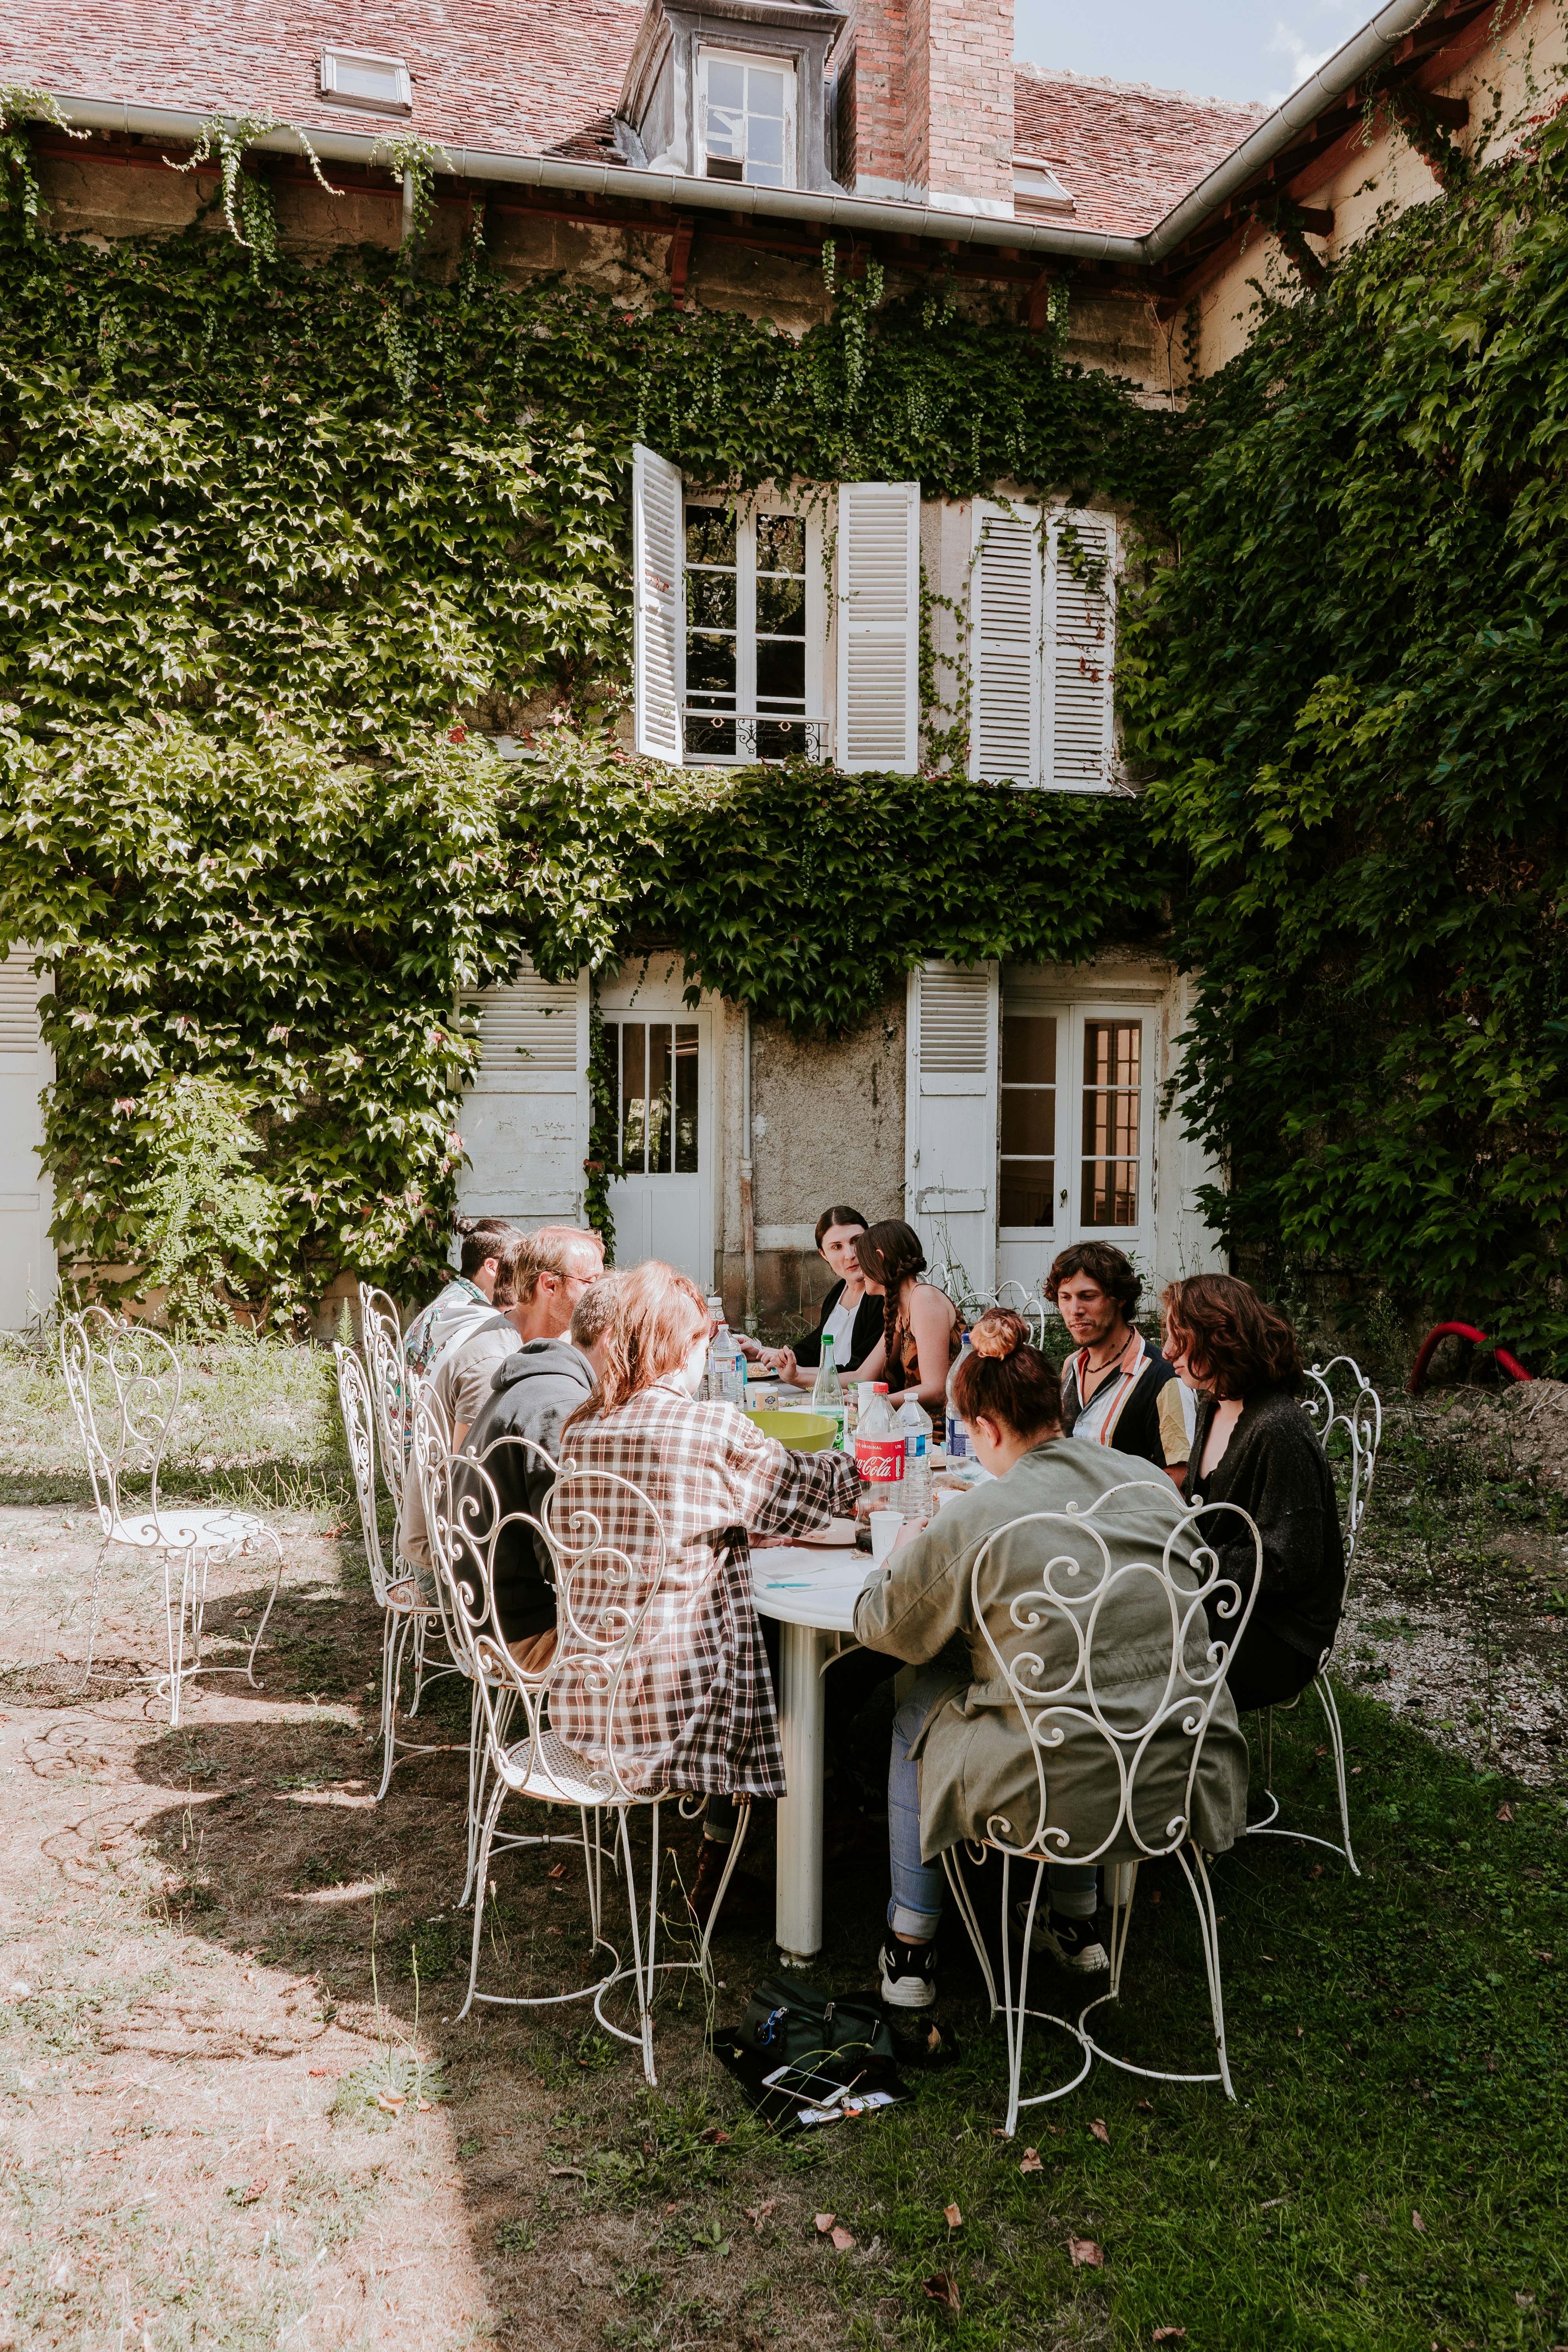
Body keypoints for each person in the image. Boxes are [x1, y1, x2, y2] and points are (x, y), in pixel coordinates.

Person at [852, 1310, 1249, 2012]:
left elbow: (885, 1628)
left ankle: (910, 1943)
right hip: (1181, 1758)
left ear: (986, 1430)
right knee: (1086, 1675)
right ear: (1057, 1410)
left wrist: (899, 1553)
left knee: (917, 1712)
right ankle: (1075, 1918)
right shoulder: (1148, 1483)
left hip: (1054, 1781)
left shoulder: (982, 1515)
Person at [547, 1260, 863, 1928]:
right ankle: (782, 1851)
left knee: (770, 1637)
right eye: (705, 1339)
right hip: (674, 1710)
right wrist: (877, 1463)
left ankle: (753, 1850)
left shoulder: (581, 1425)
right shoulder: (708, 1429)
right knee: (809, 1664)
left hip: (587, 1696)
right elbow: (810, 1490)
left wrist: (735, 1525)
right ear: (683, 1346)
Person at [1163, 1274, 1346, 1715]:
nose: (1166, 1351)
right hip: (1222, 1599)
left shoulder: (1278, 1429)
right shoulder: (1214, 1403)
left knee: (1143, 1669)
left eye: (1178, 1338)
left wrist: (1191, 1560)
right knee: (1118, 1632)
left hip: (1278, 1631)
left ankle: (1188, 1757)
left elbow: (1290, 1564)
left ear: (1219, 1338)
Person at [400, 1227, 604, 1584]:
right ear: (549, 1285)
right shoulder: (493, 1364)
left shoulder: (530, 1341)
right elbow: (471, 1489)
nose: (600, 1295)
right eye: (591, 1283)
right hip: (451, 1564)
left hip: (482, 1542)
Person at [452, 1271, 622, 1669]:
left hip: (486, 1610)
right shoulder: (561, 1408)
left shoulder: (543, 1378)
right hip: (520, 1636)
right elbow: (569, 1565)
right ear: (613, 1341)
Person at [1048, 1241, 1192, 1483]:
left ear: (1120, 1298)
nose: (1075, 1310)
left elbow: (1179, 1479)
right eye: (1065, 1297)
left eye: (1088, 1296)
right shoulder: (1072, 1365)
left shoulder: (1164, 1378)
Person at [846, 1220, 962, 1409]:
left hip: (944, 1424)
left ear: (880, 1259)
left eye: (863, 1262)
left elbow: (937, 1391)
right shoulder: (900, 1308)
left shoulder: (924, 1299)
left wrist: (874, 1402)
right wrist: (798, 1376)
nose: (860, 1273)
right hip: (914, 1419)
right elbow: (863, 1376)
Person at [771, 1205, 884, 1389]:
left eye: (856, 1241)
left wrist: (799, 1376)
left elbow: (861, 1372)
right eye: (837, 1247)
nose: (850, 1255)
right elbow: (817, 1345)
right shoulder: (839, 1290)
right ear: (824, 1254)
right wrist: (768, 1353)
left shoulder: (882, 1297)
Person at [403, 1218, 516, 1378]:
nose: (526, 1274)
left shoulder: (457, 1296)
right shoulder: (468, 1314)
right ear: (492, 1267)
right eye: (520, 1265)